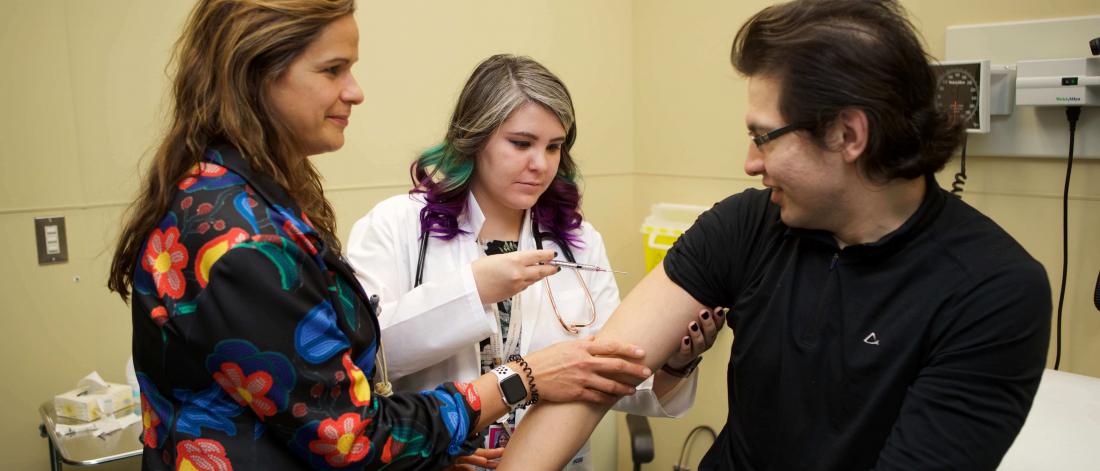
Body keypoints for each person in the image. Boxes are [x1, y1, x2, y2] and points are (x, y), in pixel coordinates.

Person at [499, 1, 1052, 470]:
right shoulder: (748, 225)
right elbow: (600, 373)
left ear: (847, 134)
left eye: (764, 137)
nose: (748, 163)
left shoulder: (991, 290)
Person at [106, 2, 653, 469]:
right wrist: (519, 373)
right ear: (257, 73)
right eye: (333, 69)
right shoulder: (243, 241)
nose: (356, 91)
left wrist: (671, 360)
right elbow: (352, 433)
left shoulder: (244, 203)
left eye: (555, 147)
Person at [346, 54, 722, 470]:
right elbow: (364, 359)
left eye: (554, 146)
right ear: (474, 138)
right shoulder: (395, 226)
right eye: (521, 144)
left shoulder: (578, 242)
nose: (540, 164)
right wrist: (472, 290)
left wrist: (676, 362)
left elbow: (610, 376)